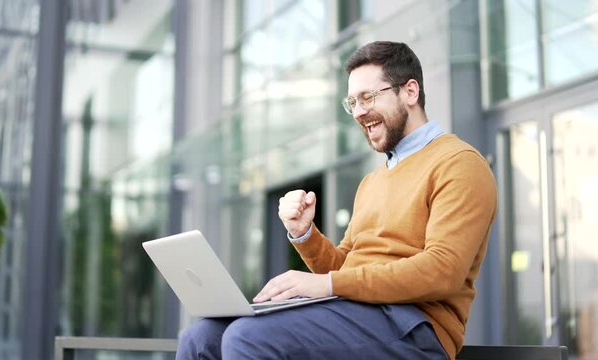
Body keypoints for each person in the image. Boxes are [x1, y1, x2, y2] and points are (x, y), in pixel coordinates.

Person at [176, 41, 497, 360]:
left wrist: (326, 285)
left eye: (368, 97)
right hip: (357, 311)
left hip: (415, 327)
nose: (358, 112)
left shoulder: (459, 163)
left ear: (410, 92)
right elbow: (347, 268)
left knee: (249, 338)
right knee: (200, 337)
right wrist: (305, 235)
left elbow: (443, 271)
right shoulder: (373, 181)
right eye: (352, 102)